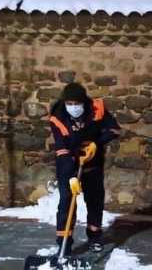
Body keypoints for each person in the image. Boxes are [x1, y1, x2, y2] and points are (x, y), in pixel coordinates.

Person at [49, 82, 121, 255]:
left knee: (95, 201)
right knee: (67, 203)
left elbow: (114, 130)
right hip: (68, 165)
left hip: (93, 165)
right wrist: (71, 176)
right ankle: (64, 243)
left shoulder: (96, 109)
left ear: (84, 102)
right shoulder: (58, 117)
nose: (73, 108)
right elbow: (61, 148)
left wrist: (97, 144)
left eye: (77, 104)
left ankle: (94, 237)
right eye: (70, 104)